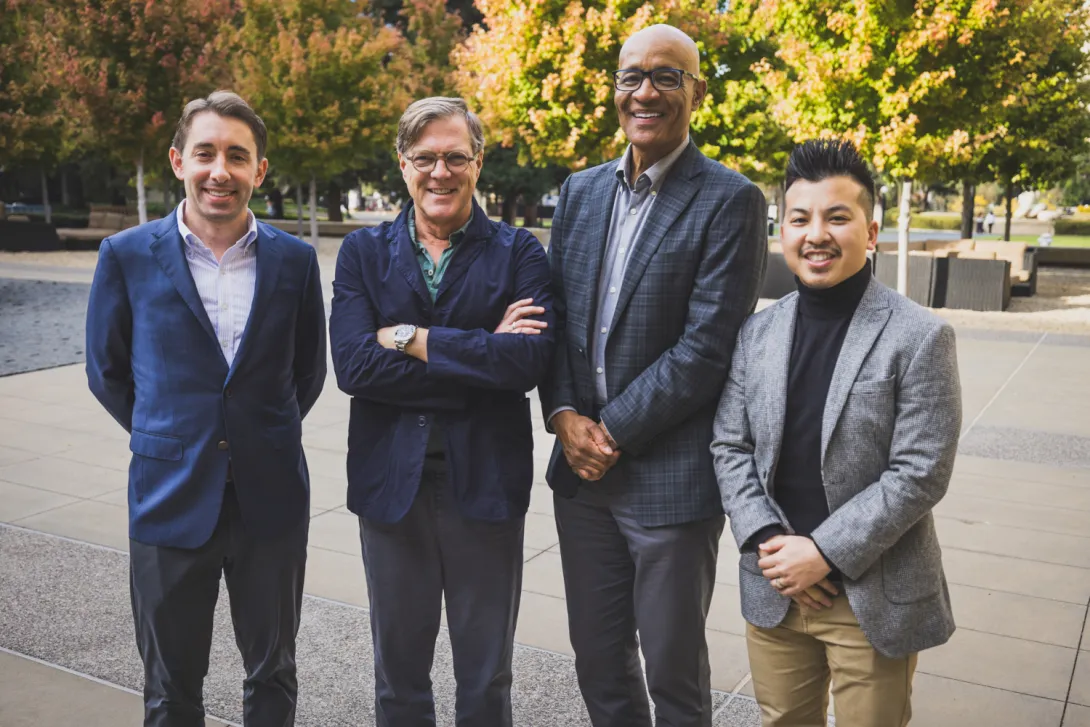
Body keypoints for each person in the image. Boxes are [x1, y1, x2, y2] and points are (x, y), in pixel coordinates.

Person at [542, 24, 768, 727]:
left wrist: (606, 429)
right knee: (598, 658)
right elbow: (553, 323)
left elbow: (707, 349)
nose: (645, 91)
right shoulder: (579, 193)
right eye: (630, 76)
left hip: (669, 481)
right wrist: (561, 415)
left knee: (672, 669)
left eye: (667, 76)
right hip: (581, 480)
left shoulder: (731, 201)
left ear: (696, 91)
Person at [85, 90, 327, 726]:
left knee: (273, 672)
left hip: (270, 498)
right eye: (206, 153)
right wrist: (173, 433)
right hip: (167, 495)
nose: (220, 170)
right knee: (169, 685)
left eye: (237, 156)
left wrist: (254, 434)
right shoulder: (126, 256)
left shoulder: (296, 262)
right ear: (177, 161)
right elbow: (106, 372)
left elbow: (307, 374)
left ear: (259, 171)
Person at [711, 139, 962, 726]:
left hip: (869, 594)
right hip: (775, 587)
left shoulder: (920, 336)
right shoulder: (757, 333)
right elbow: (730, 445)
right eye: (800, 219)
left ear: (870, 233)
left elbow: (921, 472)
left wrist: (822, 553)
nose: (816, 233)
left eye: (837, 217)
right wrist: (772, 544)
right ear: (783, 232)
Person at [328, 96, 555, 727]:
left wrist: (406, 337)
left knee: (486, 678)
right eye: (425, 157)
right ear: (402, 165)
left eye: (456, 156)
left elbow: (527, 364)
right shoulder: (363, 254)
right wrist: (483, 356)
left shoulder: (520, 254)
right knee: (398, 676)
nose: (441, 172)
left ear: (478, 163)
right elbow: (353, 368)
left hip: (484, 485)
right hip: (389, 488)